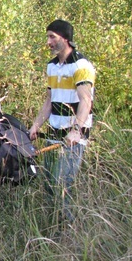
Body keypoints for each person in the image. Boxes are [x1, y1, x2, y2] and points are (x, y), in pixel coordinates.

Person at [28, 20, 95, 223]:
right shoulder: (52, 66)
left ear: (65, 38)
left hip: (72, 137)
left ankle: (68, 229)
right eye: (47, 37)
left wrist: (76, 130)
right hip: (53, 132)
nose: (48, 42)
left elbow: (86, 100)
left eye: (52, 37)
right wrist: (36, 125)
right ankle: (52, 227)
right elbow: (49, 100)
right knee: (48, 183)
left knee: (62, 183)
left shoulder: (81, 65)